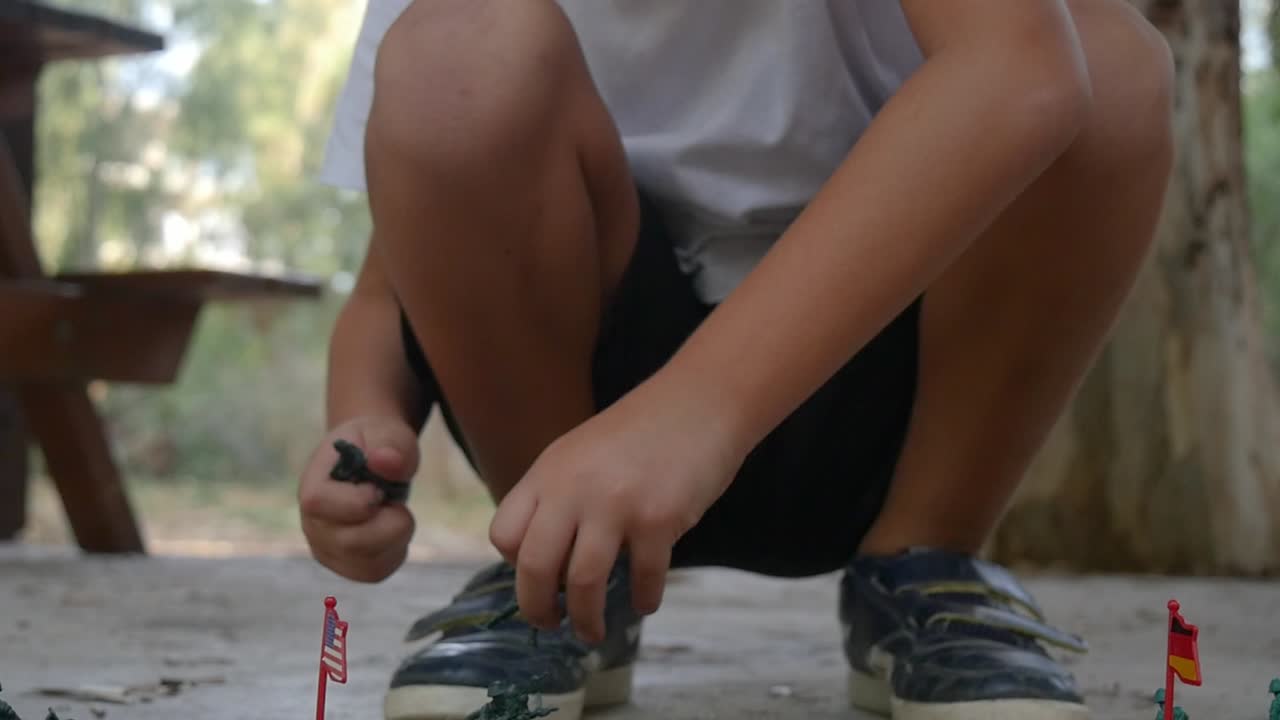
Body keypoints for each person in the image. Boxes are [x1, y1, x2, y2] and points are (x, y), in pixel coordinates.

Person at [300, 1, 1175, 719]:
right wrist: (365, 421)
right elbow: (393, 277)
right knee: (450, 54)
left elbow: (1025, 71)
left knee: (1100, 56)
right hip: (576, 432)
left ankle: (924, 571)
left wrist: (692, 414)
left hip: (898, 396)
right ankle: (562, 585)